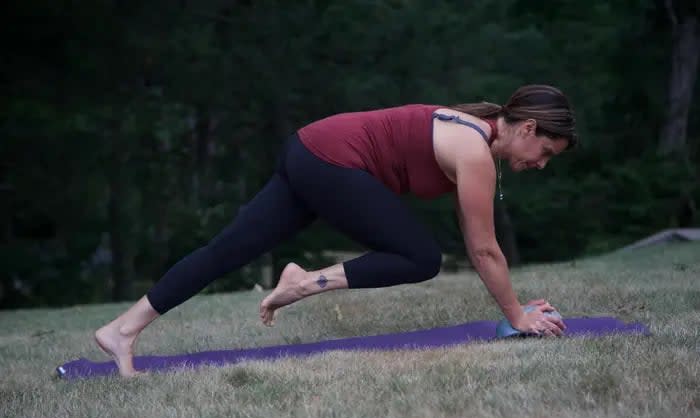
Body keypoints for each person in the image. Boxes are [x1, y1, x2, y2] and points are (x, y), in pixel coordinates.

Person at [95, 84, 577, 377]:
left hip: (309, 149)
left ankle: (121, 330)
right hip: (330, 160)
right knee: (420, 257)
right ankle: (303, 281)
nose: (540, 165)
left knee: (226, 250)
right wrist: (516, 316)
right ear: (528, 127)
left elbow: (476, 237)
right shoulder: (474, 149)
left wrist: (516, 307)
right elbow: (484, 249)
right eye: (546, 154)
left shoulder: (475, 133)